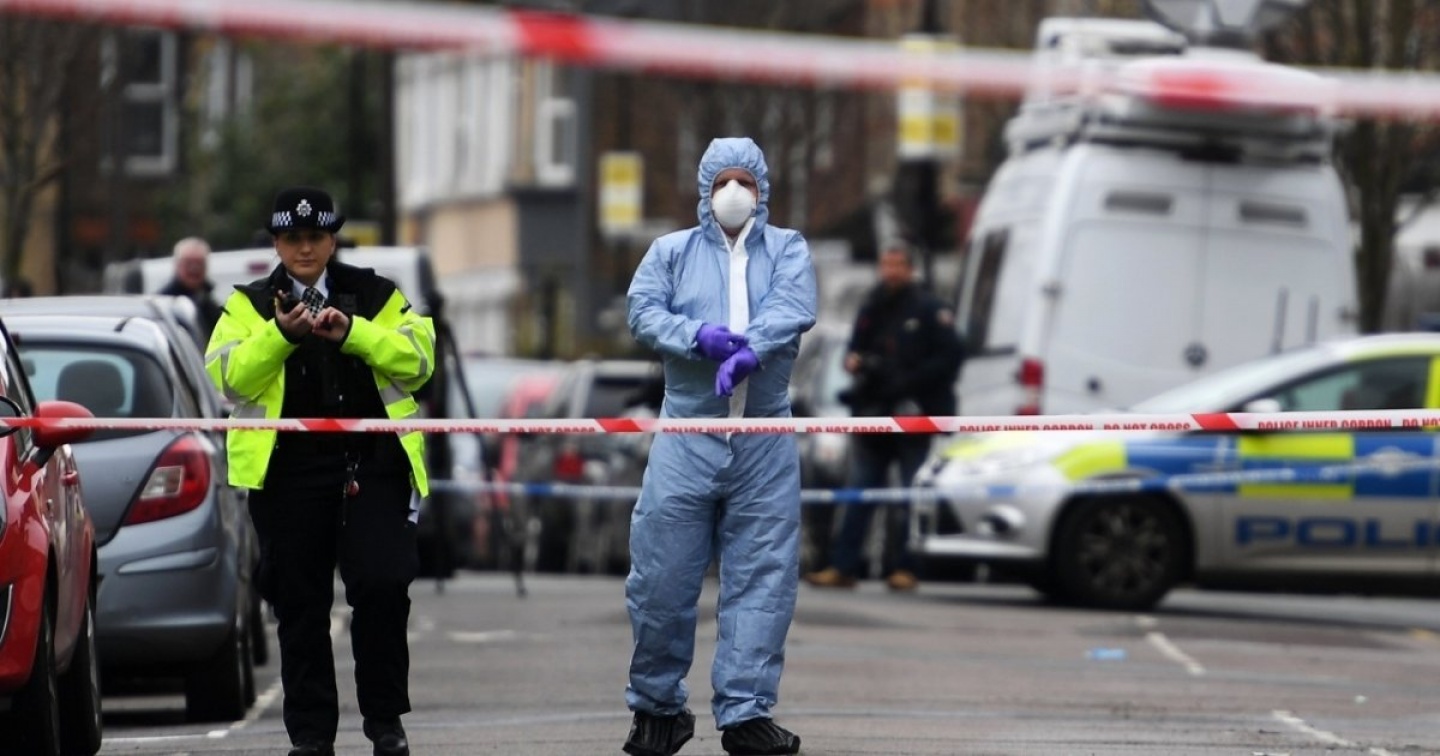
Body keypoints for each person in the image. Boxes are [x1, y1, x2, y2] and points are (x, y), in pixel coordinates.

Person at [205, 187, 435, 756]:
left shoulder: (376, 294)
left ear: (332, 240)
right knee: (298, 601)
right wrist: (281, 335)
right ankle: (310, 736)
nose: (304, 249)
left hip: (371, 466)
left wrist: (354, 332)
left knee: (383, 586)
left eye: (315, 237)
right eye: (292, 239)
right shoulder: (249, 305)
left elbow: (420, 363)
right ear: (276, 243)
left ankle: (385, 721)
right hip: (288, 473)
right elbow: (228, 378)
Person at [622, 137, 816, 756]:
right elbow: (642, 310)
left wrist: (754, 348)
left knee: (764, 578)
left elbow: (794, 305)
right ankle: (657, 708)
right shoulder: (670, 252)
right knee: (661, 576)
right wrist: (695, 336)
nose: (735, 192)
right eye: (723, 181)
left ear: (764, 189)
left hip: (764, 436)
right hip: (686, 433)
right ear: (704, 190)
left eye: (746, 182)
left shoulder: (787, 248)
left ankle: (747, 712)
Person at [803, 244, 964, 592]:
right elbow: (855, 349)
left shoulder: (929, 309)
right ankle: (843, 566)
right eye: (886, 264)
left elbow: (950, 357)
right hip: (873, 413)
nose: (891, 271)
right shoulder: (872, 305)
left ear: (910, 269)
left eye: (897, 265)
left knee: (908, 494)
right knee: (859, 493)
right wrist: (855, 362)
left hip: (912, 414)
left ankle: (906, 567)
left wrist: (907, 381)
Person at [159, 236, 225, 343]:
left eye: (199, 263)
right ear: (177, 265)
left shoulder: (209, 303)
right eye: (188, 263)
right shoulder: (164, 303)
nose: (194, 268)